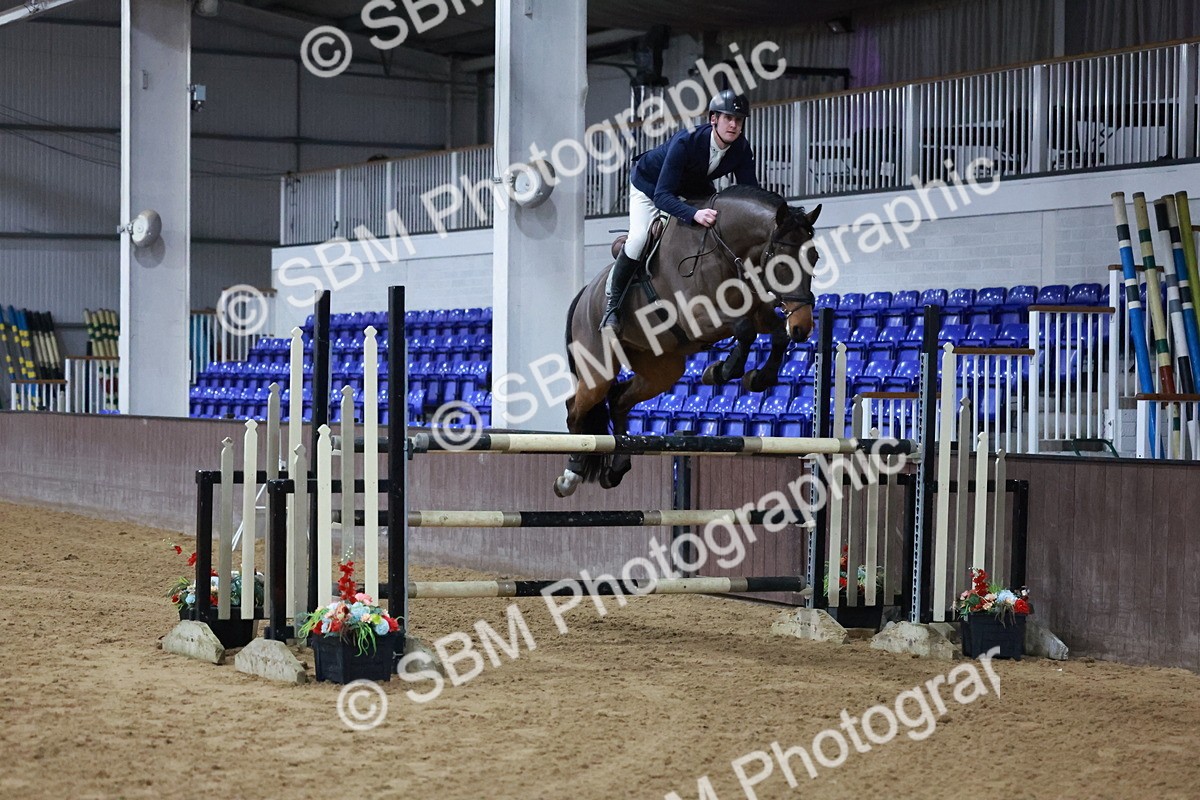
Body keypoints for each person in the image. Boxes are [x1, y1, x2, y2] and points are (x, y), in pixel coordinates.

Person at [600, 89, 759, 331]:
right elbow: (663, 196)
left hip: (691, 185)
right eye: (729, 118)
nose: (734, 125)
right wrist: (694, 214)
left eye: (739, 120)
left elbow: (751, 194)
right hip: (650, 186)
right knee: (640, 238)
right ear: (713, 119)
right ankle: (613, 305)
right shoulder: (687, 141)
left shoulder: (741, 148)